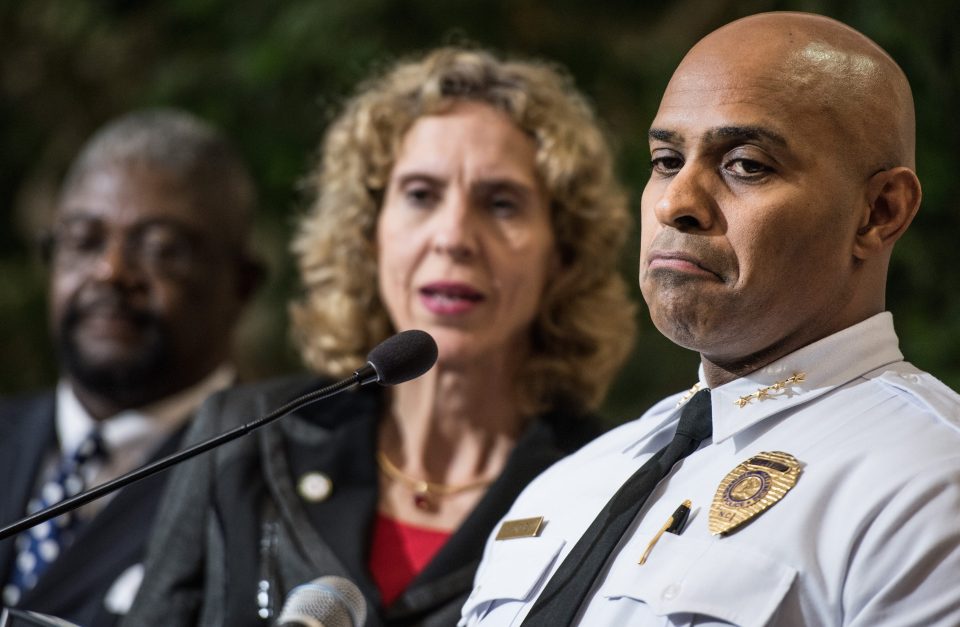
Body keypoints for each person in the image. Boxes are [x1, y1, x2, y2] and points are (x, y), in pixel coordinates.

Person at [461, 12, 960, 627]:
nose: (676, 203)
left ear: (879, 212)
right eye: (666, 160)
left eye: (746, 165)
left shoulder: (931, 482)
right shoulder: (568, 487)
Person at [124, 46, 636, 627]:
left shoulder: (607, 491)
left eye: (501, 203)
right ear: (370, 235)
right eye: (420, 195)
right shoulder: (245, 438)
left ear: (562, 255)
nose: (454, 237)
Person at [0, 109, 262, 626]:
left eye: (161, 249)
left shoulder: (267, 477)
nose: (111, 270)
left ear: (241, 284)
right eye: (83, 240)